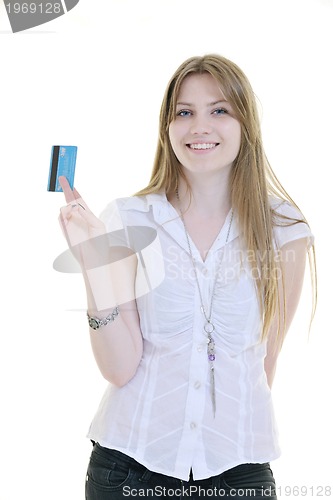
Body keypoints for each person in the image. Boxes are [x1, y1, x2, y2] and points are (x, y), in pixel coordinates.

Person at [59, 54, 316, 500]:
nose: (200, 127)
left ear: (245, 125)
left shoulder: (285, 228)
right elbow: (120, 368)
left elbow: (266, 361)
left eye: (219, 110)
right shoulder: (128, 218)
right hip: (129, 470)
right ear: (167, 128)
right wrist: (94, 265)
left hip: (240, 473)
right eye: (184, 112)